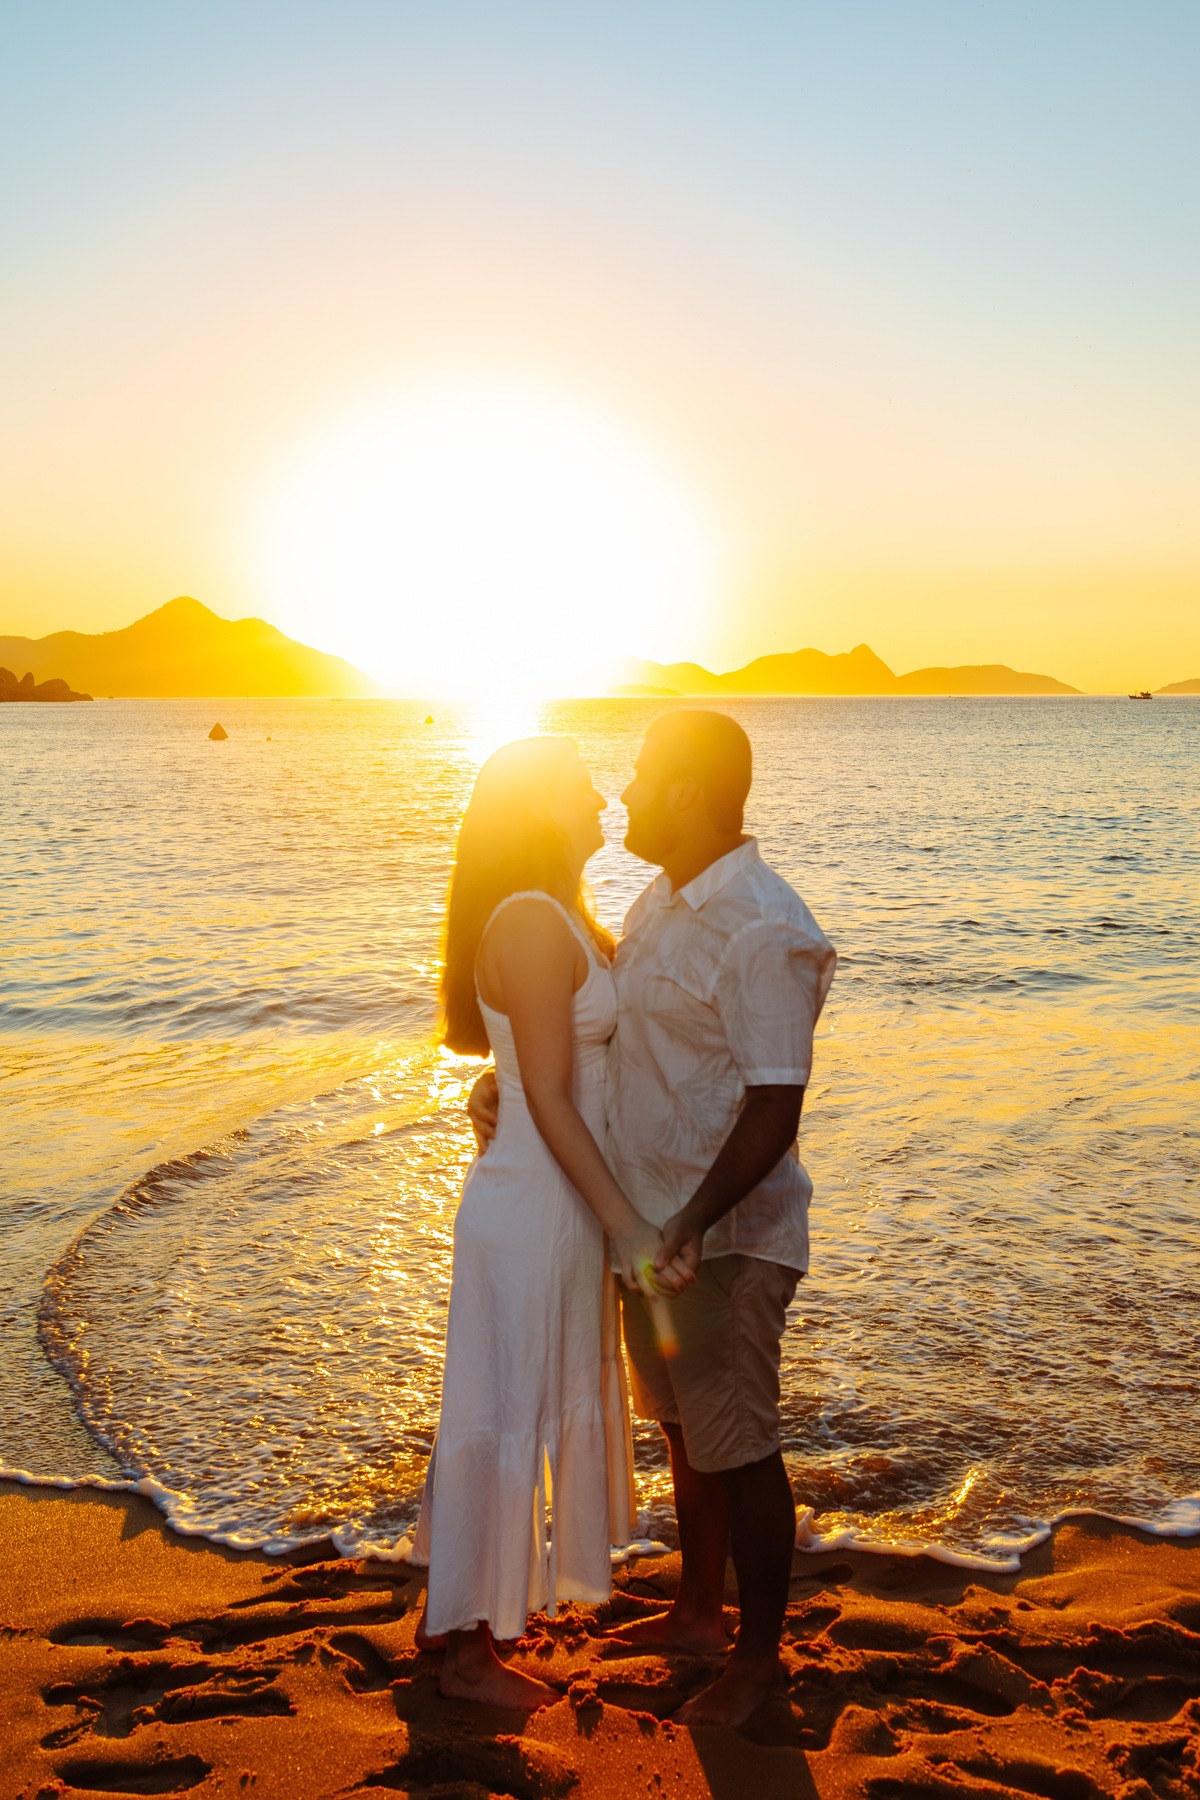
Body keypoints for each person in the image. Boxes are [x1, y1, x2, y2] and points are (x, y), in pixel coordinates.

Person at [469, 710, 836, 1726]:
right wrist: (506, 1091)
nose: (622, 792)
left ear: (684, 792)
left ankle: (758, 1669)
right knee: (685, 1431)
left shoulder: (761, 926)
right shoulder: (664, 905)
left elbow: (776, 1100)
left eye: (638, 774)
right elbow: (609, 1052)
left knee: (740, 1442)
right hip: (651, 1231)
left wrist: (689, 1221)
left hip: (719, 1236)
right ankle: (694, 1614)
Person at [411, 735, 692, 1710]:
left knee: (511, 1407)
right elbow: (558, 1102)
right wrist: (627, 1223)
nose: (599, 794)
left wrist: (499, 1087)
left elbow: (539, 1070)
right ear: (538, 809)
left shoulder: (558, 916)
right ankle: (464, 1653)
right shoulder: (532, 920)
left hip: (555, 1201)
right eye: (577, 783)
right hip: (536, 1206)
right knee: (502, 1412)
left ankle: (459, 1626)